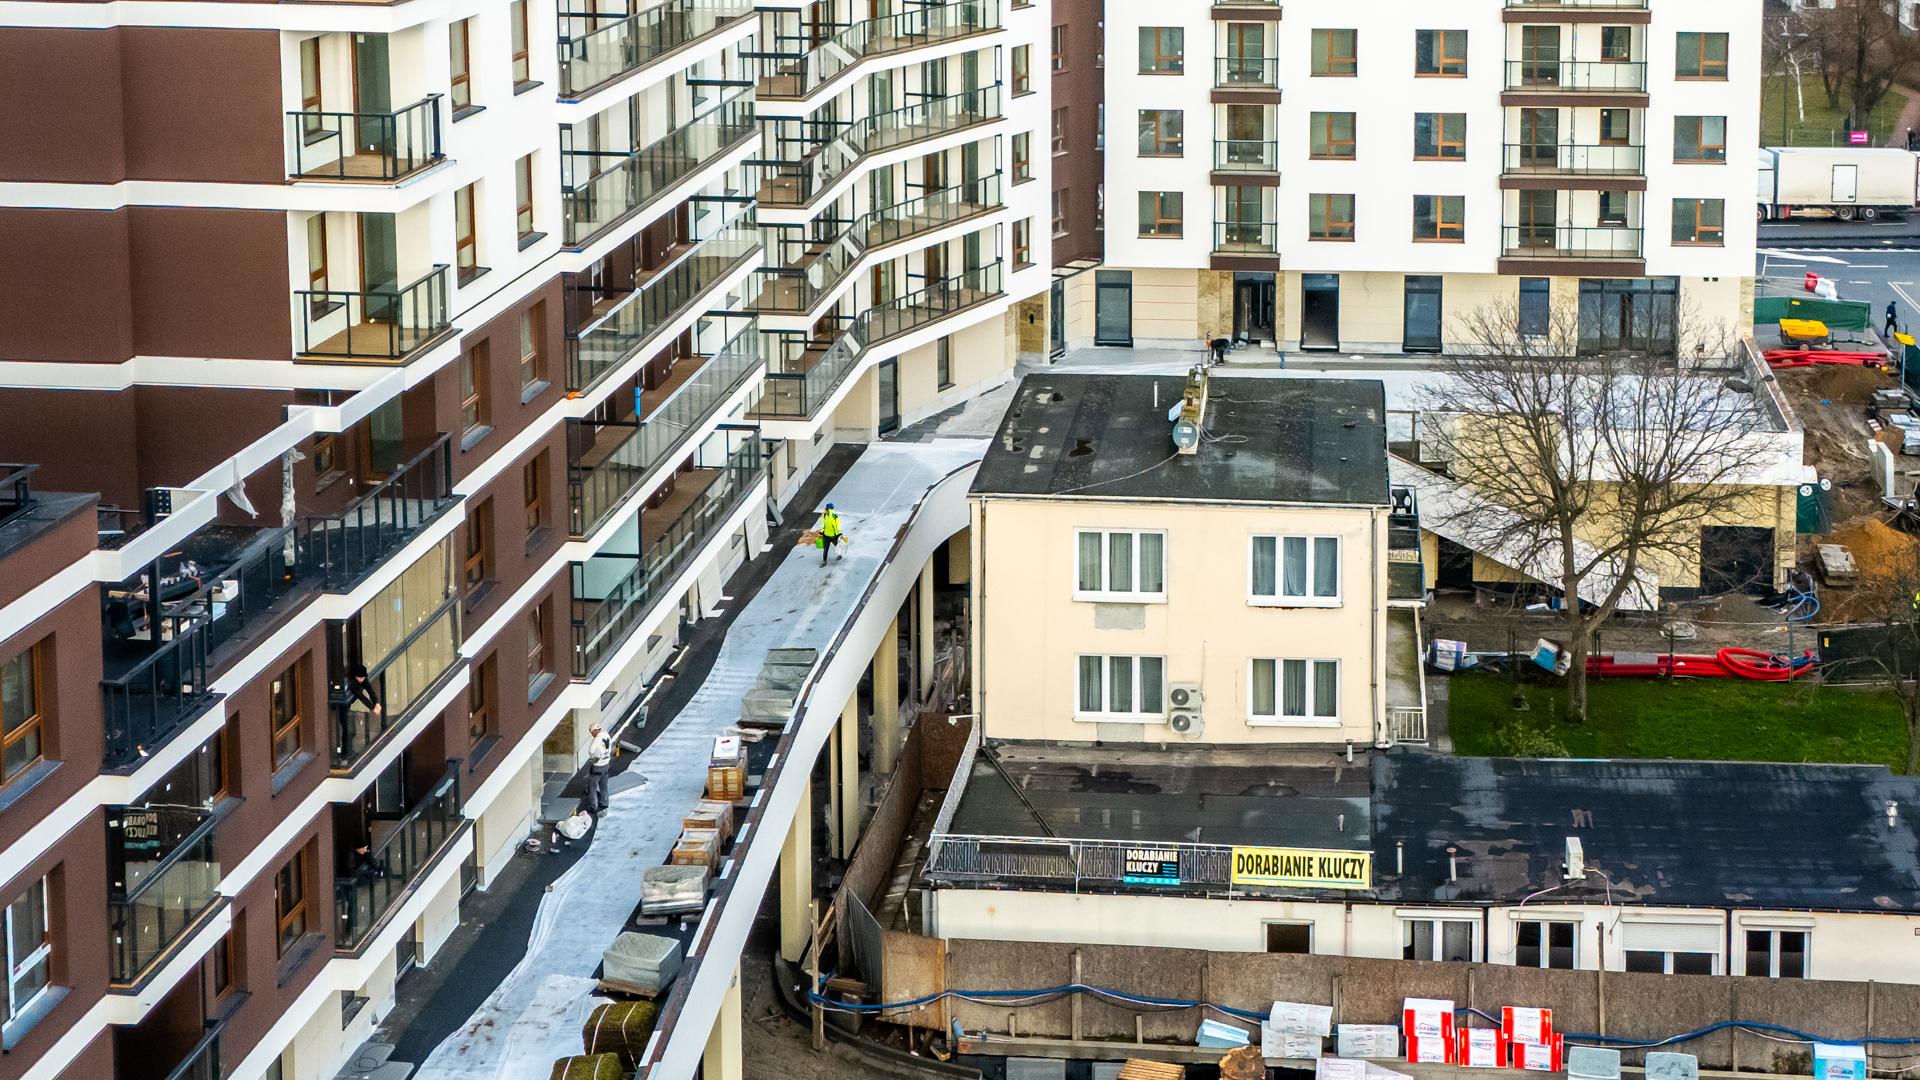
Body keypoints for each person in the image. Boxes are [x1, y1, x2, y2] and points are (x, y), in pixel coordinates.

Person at [585, 722, 613, 814]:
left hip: (598, 766)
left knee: (592, 787)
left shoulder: (597, 739)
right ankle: (604, 802)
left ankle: (593, 806)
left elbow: (591, 750)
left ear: (595, 730)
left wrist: (593, 757)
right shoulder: (606, 735)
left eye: (592, 732)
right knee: (603, 785)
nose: (592, 734)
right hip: (606, 763)